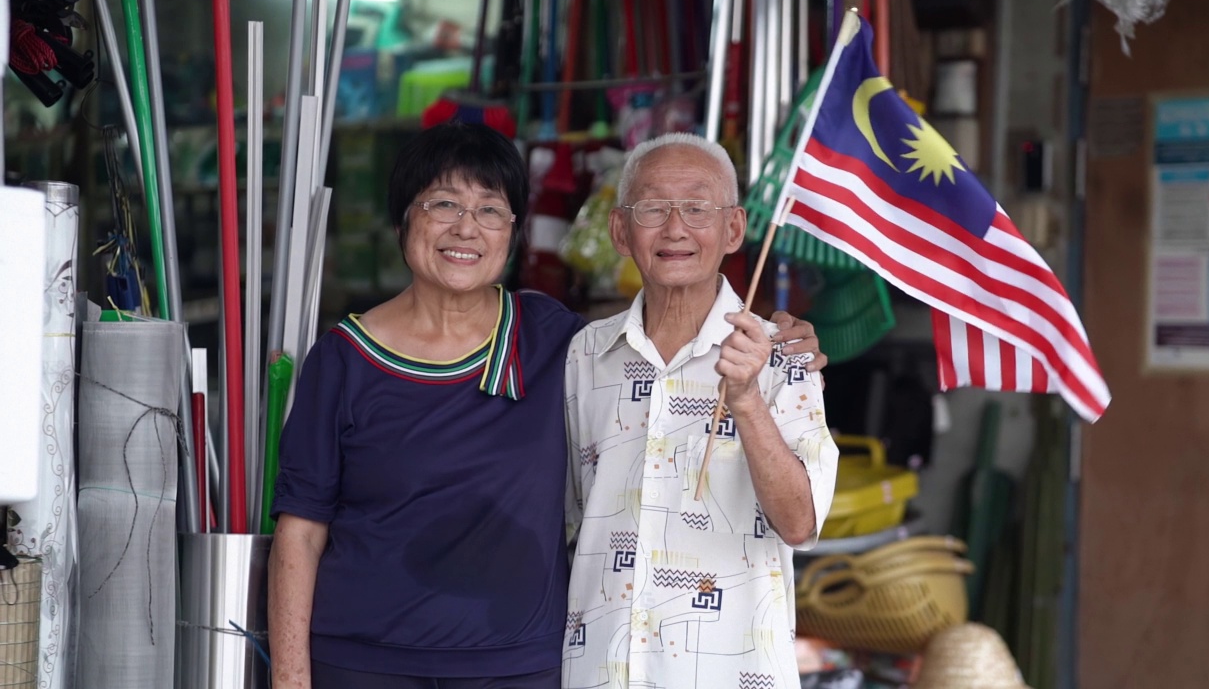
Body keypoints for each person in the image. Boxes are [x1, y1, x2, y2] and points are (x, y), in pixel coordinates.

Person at [267, 122, 828, 689]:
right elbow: (301, 528)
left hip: (519, 667)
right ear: (402, 219)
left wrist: (777, 358)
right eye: (442, 203)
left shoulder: (556, 341)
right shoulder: (349, 358)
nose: (466, 228)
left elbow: (799, 520)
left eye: (490, 210)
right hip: (367, 664)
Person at [562, 133, 840, 688]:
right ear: (621, 230)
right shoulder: (585, 354)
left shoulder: (784, 359)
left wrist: (747, 401)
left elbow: (800, 523)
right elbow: (569, 515)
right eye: (652, 208)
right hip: (602, 672)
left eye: (696, 207)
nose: (674, 228)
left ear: (733, 229)